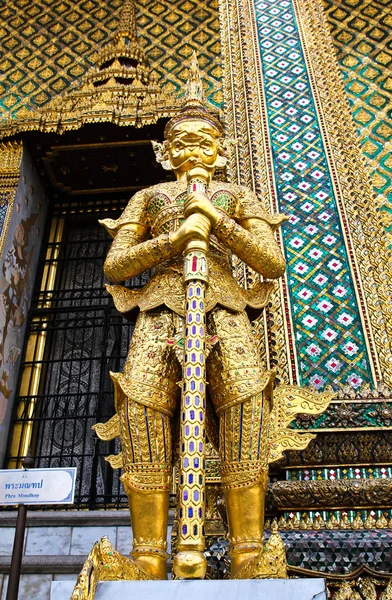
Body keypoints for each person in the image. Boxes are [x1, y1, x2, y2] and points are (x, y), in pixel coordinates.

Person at [96, 56, 286, 580]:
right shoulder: (149, 197)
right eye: (183, 139)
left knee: (245, 412)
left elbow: (271, 262)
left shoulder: (236, 194)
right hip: (160, 308)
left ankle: (247, 550)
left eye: (206, 137)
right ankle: (149, 552)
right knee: (144, 414)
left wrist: (219, 222)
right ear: (165, 151)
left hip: (223, 307)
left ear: (221, 149)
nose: (194, 146)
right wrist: (170, 241)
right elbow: (115, 265)